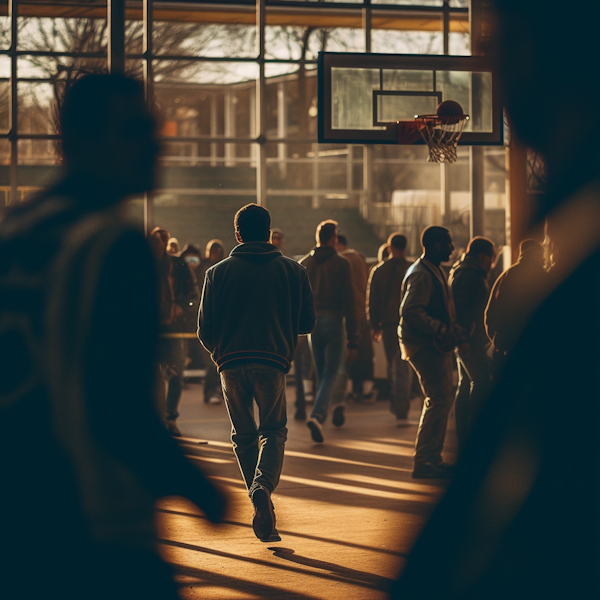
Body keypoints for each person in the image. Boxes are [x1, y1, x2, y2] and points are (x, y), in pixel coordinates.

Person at [391, 2, 600, 598]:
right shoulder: (564, 245)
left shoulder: (574, 272)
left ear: (540, 56)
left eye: (499, 45)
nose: (489, 63)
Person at [0, 73, 225, 600]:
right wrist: (197, 487)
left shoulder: (16, 227)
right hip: (94, 520)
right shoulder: (111, 243)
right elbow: (115, 399)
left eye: (154, 126)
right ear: (78, 143)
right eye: (134, 129)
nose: (155, 142)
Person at [198, 203, 315, 543]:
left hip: (230, 363)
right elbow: (307, 323)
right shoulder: (294, 271)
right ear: (269, 232)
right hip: (272, 362)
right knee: (274, 431)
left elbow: (205, 329)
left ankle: (258, 498)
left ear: (237, 234)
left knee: (243, 436)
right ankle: (263, 486)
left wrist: (221, 355)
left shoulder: (216, 273)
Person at [399, 225, 465, 479]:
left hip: (427, 344)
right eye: (449, 243)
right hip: (425, 346)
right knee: (439, 398)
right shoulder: (423, 274)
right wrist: (439, 328)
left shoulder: (430, 269)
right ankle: (426, 460)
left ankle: (431, 458)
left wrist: (450, 327)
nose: (452, 247)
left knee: (440, 398)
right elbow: (411, 310)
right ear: (437, 246)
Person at [300, 220, 358, 443]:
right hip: (334, 321)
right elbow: (350, 302)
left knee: (321, 372)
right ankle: (317, 415)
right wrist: (354, 338)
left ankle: (320, 412)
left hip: (312, 325)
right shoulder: (341, 264)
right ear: (334, 237)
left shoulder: (305, 263)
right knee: (330, 373)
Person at [150, 226, 200, 436]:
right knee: (155, 376)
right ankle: (160, 417)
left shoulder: (178, 266)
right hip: (153, 330)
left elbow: (193, 294)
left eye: (159, 242)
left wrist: (180, 306)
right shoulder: (144, 266)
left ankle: (170, 417)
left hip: (174, 327)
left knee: (176, 375)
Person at [449, 236, 496, 453]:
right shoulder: (471, 275)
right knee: (480, 382)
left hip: (466, 338)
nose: (492, 263)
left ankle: (464, 437)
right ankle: (476, 435)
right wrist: (465, 338)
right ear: (482, 256)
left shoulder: (461, 270)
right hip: (469, 339)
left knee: (465, 384)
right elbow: (465, 308)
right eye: (491, 258)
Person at [367, 233, 414, 426]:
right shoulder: (411, 268)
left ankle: (397, 404)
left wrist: (374, 325)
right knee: (403, 367)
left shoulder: (379, 270)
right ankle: (401, 409)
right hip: (408, 324)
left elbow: (373, 299)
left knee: (391, 365)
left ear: (389, 247)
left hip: (387, 324)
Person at [485, 239, 548, 374]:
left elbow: (490, 314)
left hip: (507, 348)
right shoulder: (544, 277)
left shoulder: (505, 276)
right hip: (536, 349)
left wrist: (498, 340)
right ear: (539, 254)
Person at [336, 234, 376, 403]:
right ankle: (366, 389)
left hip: (347, 313)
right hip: (363, 311)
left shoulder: (341, 260)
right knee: (365, 351)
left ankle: (351, 389)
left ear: (337, 243)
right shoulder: (360, 258)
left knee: (349, 352)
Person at [197, 238, 227, 403]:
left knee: (215, 359)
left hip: (211, 318)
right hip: (214, 318)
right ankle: (210, 390)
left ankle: (213, 390)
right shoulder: (211, 270)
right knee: (213, 360)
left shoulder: (210, 269)